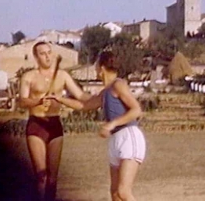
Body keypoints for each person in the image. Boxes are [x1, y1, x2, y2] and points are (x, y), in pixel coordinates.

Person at [54, 50, 145, 201]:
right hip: (116, 139)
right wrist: (60, 99)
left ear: (101, 68)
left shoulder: (118, 84)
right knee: (115, 194)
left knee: (123, 192)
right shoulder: (106, 92)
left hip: (129, 136)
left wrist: (111, 124)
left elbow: (136, 110)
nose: (96, 69)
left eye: (96, 65)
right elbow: (85, 105)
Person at [20, 41, 92, 201]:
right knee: (41, 176)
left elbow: (80, 96)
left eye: (49, 52)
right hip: (36, 125)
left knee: (53, 178)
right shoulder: (29, 76)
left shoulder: (62, 75)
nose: (47, 56)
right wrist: (38, 101)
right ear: (35, 57)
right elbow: (22, 101)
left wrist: (101, 98)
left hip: (54, 125)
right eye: (42, 53)